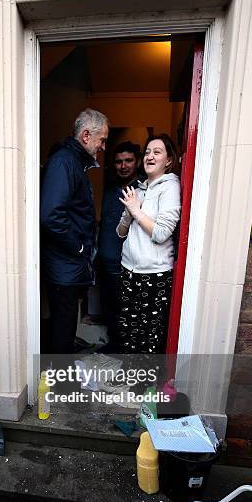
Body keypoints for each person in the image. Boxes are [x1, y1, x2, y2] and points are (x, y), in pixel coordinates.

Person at [40, 108, 109, 354]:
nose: (103, 146)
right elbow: (50, 215)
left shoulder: (74, 162)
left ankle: (61, 382)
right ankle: (60, 388)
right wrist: (78, 246)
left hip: (69, 266)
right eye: (102, 139)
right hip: (63, 266)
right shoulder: (64, 161)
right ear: (86, 135)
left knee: (66, 328)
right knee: (62, 329)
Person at [116, 134, 181, 354]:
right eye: (147, 152)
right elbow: (120, 232)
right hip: (129, 271)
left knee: (148, 337)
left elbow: (162, 232)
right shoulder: (139, 189)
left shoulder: (170, 187)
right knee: (127, 332)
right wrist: (128, 212)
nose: (149, 156)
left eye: (157, 152)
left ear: (169, 160)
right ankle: (130, 380)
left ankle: (146, 386)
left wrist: (136, 211)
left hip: (154, 275)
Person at [97, 142, 143, 352]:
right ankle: (113, 346)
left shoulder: (142, 191)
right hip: (104, 263)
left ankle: (122, 351)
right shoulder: (110, 189)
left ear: (138, 162)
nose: (123, 166)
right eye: (118, 161)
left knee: (124, 311)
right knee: (108, 308)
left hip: (125, 266)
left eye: (128, 161)